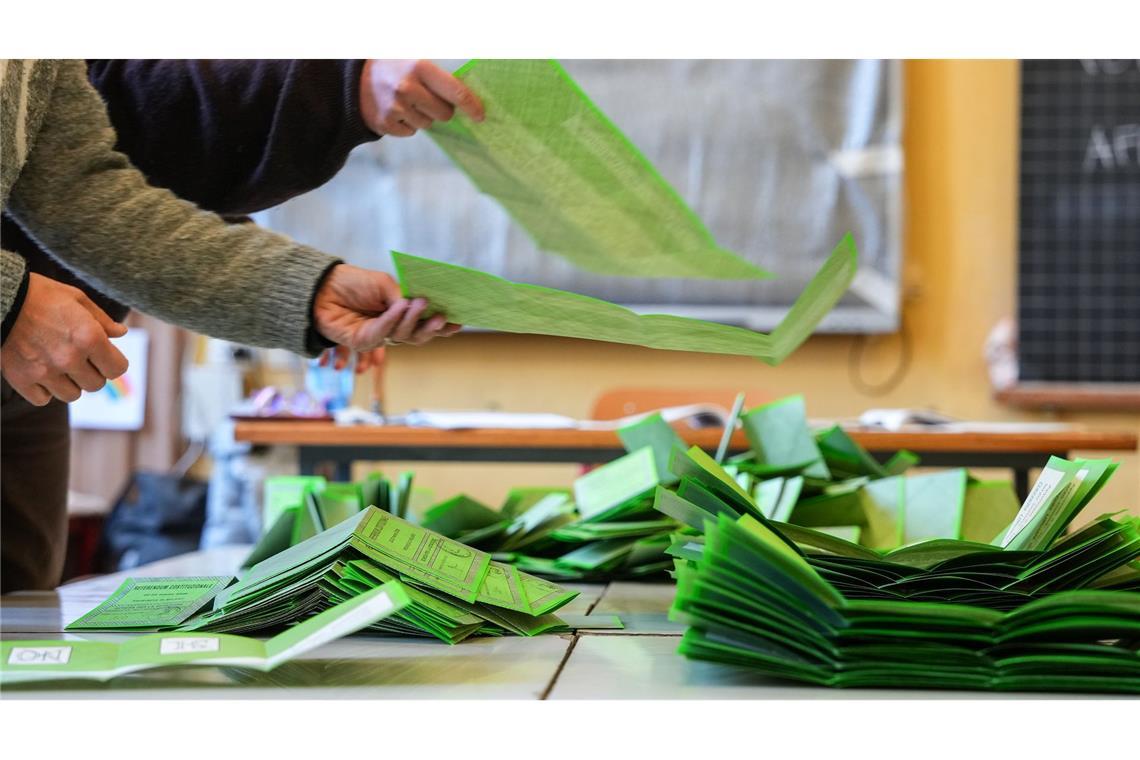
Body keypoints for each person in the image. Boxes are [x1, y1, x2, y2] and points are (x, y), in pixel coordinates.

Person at [0, 59, 482, 592]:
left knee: (17, 621)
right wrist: (10, 303)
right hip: (15, 340)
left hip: (19, 390)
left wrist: (307, 294)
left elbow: (81, 192)